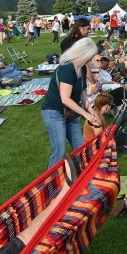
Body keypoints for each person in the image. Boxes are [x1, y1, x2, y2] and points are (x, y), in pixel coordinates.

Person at [40, 38, 101, 168]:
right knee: (59, 151)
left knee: (80, 148)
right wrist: (85, 114)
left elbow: (83, 94)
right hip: (54, 111)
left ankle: (79, 175)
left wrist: (91, 112)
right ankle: (52, 179)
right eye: (90, 56)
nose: (91, 59)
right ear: (83, 54)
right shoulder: (67, 68)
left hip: (70, 113)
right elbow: (65, 99)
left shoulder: (82, 68)